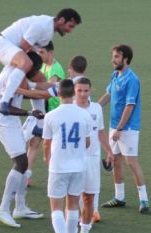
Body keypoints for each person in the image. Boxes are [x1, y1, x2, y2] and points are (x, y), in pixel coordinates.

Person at [0, 52, 45, 228]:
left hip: (11, 122)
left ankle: (20, 207)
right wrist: (29, 112)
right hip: (3, 122)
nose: (36, 72)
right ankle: (3, 209)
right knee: (21, 162)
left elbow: (21, 94)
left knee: (24, 162)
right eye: (35, 69)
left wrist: (43, 92)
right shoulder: (13, 75)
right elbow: (3, 108)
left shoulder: (15, 70)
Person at [0, 8, 81, 115]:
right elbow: (23, 47)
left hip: (14, 50)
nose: (70, 30)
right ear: (61, 20)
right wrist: (23, 74)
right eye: (70, 26)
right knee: (26, 63)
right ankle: (4, 101)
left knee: (41, 78)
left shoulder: (48, 33)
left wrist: (29, 77)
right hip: (2, 44)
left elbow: (30, 53)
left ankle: (39, 125)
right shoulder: (41, 26)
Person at [98, 45, 149, 213]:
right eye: (113, 56)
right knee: (116, 160)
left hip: (127, 128)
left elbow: (130, 105)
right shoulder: (115, 75)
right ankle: (119, 197)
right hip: (115, 127)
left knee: (131, 162)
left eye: (116, 57)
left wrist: (119, 128)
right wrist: (95, 107)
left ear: (125, 59)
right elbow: (109, 94)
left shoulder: (132, 79)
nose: (113, 59)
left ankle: (144, 200)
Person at [43, 79, 93, 233]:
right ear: (73, 93)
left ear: (58, 93)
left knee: (56, 209)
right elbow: (87, 142)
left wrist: (48, 160)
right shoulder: (84, 114)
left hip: (58, 166)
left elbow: (46, 143)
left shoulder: (50, 116)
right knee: (72, 206)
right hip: (78, 167)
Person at [75, 77, 114, 232]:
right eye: (79, 91)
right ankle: (84, 214)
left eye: (86, 90)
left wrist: (109, 151)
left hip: (92, 155)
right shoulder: (70, 108)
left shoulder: (96, 108)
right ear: (74, 91)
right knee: (77, 189)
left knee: (92, 188)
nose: (83, 94)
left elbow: (101, 132)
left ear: (91, 90)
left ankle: (93, 213)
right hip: (75, 156)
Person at [24, 41, 66, 187]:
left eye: (42, 52)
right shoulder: (40, 66)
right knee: (34, 143)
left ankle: (58, 176)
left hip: (54, 114)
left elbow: (48, 92)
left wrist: (27, 92)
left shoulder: (56, 69)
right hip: (44, 113)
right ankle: (26, 176)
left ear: (50, 52)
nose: (39, 55)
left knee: (53, 147)